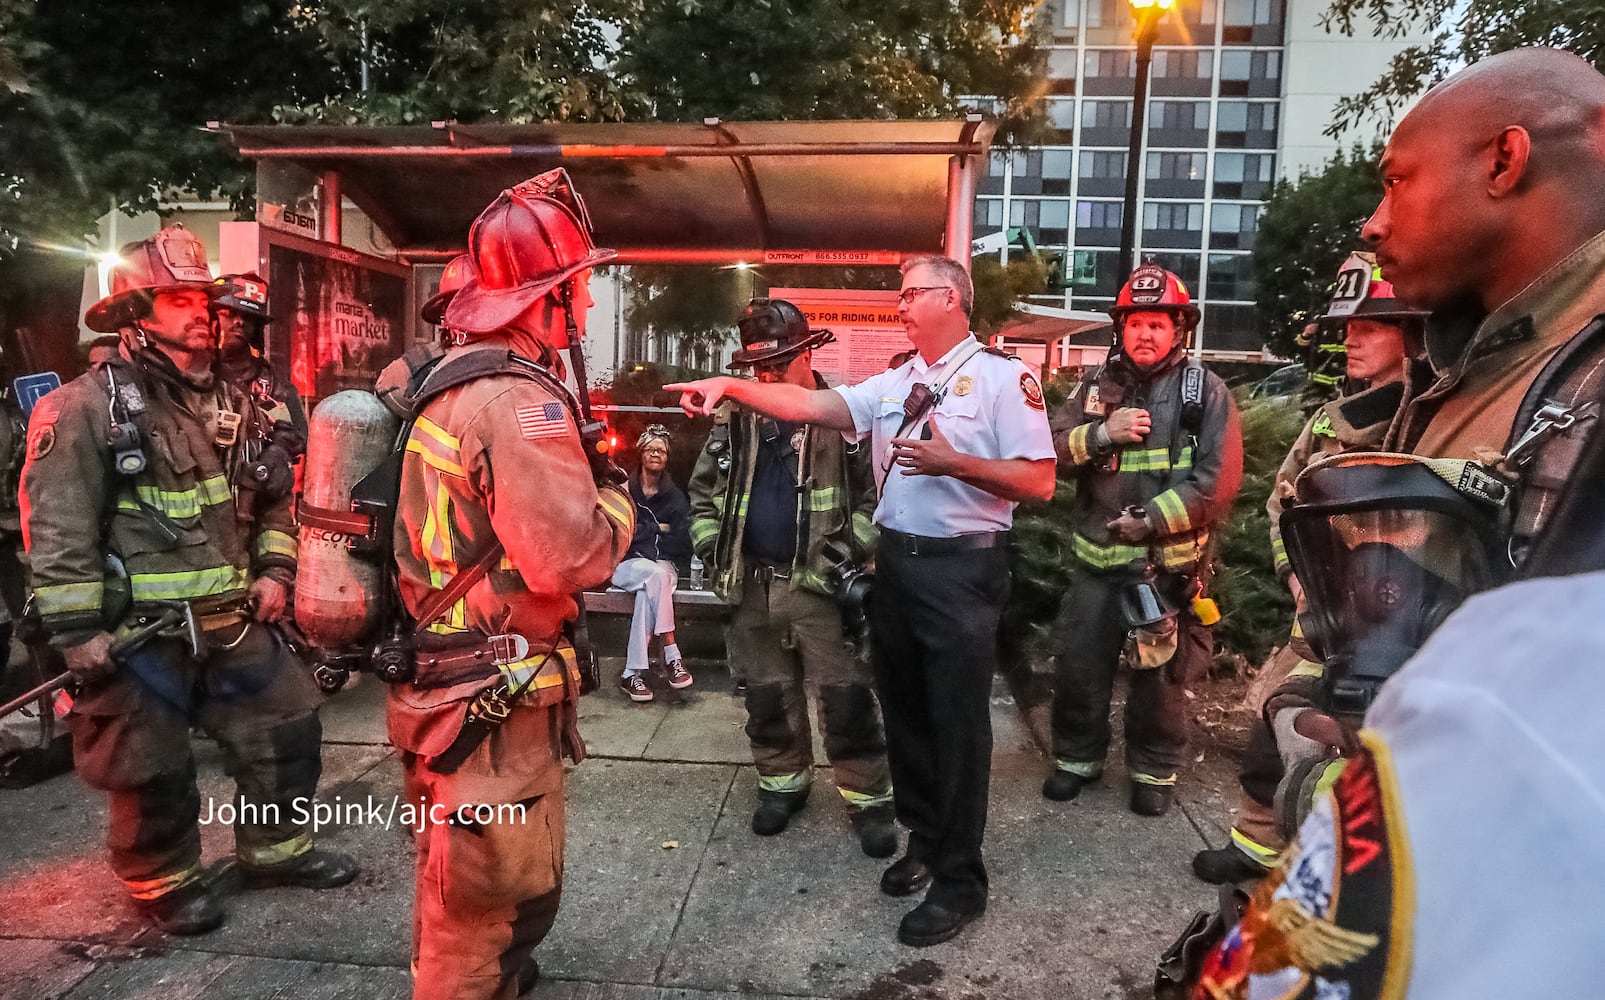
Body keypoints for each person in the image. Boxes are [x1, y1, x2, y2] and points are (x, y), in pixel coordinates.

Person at [668, 255, 1055, 947]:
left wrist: (955, 463)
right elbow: (811, 405)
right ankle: (926, 843)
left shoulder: (1003, 378)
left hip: (960, 570)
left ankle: (960, 882)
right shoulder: (897, 381)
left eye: (910, 294)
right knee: (906, 718)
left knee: (957, 729)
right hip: (898, 569)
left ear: (951, 299)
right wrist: (727, 385)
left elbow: (1039, 481)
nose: (899, 304)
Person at [19, 224, 356, 936]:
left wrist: (275, 570)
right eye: (178, 299)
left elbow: (272, 497)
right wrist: (77, 631)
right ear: (134, 315)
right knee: (152, 766)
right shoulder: (84, 408)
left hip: (232, 618)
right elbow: (57, 525)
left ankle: (275, 853)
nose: (201, 311)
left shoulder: (236, 402)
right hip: (143, 632)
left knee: (286, 726)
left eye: (202, 299)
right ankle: (163, 883)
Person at [388, 171, 635, 1000]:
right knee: (483, 899)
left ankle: (493, 980)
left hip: (448, 679)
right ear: (545, 297)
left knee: (462, 882)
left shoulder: (446, 381)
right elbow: (569, 559)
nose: (588, 301)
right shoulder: (514, 402)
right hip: (488, 696)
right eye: (579, 285)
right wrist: (616, 500)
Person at [1192, 255, 1422, 885]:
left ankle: (1342, 870)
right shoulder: (1330, 419)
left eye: (1370, 328)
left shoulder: (1430, 420)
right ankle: (1258, 844)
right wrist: (1297, 575)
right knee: (1275, 721)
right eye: (1348, 329)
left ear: (1412, 333)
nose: (1352, 340)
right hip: (1321, 614)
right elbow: (1283, 502)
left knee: (1359, 746)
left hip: (1393, 626)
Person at [686, 298, 895, 857]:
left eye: (778, 363)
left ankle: (869, 799)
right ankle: (782, 786)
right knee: (766, 696)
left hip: (822, 590)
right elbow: (703, 493)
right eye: (758, 366)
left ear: (807, 354)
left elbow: (880, 497)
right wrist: (713, 549)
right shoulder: (735, 418)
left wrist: (845, 556)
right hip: (752, 586)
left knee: (847, 700)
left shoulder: (845, 415)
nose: (768, 375)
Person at [1043, 263, 1243, 817]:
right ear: (1121, 329)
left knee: (1160, 681)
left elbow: (1218, 482)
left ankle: (1153, 772)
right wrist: (1101, 433)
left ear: (1178, 329)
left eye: (1157, 324)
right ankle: (1076, 761)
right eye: (1135, 324)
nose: (1145, 334)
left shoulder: (1205, 393)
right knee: (1079, 668)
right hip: (1095, 569)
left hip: (1166, 572)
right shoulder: (1094, 387)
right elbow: (1049, 449)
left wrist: (1152, 519)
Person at [612, 424, 693, 702]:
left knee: (649, 590)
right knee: (656, 577)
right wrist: (658, 528)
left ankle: (632, 673)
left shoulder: (676, 497)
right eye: (651, 449)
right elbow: (620, 531)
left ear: (667, 458)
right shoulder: (624, 490)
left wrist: (645, 530)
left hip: (664, 564)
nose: (656, 454)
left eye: (661, 450)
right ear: (641, 453)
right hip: (626, 563)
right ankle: (672, 653)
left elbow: (683, 539)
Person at [213, 272, 309, 442]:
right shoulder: (187, 372)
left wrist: (281, 447)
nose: (239, 322)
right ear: (209, 316)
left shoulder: (277, 387)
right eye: (230, 313)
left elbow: (301, 442)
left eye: (248, 317)